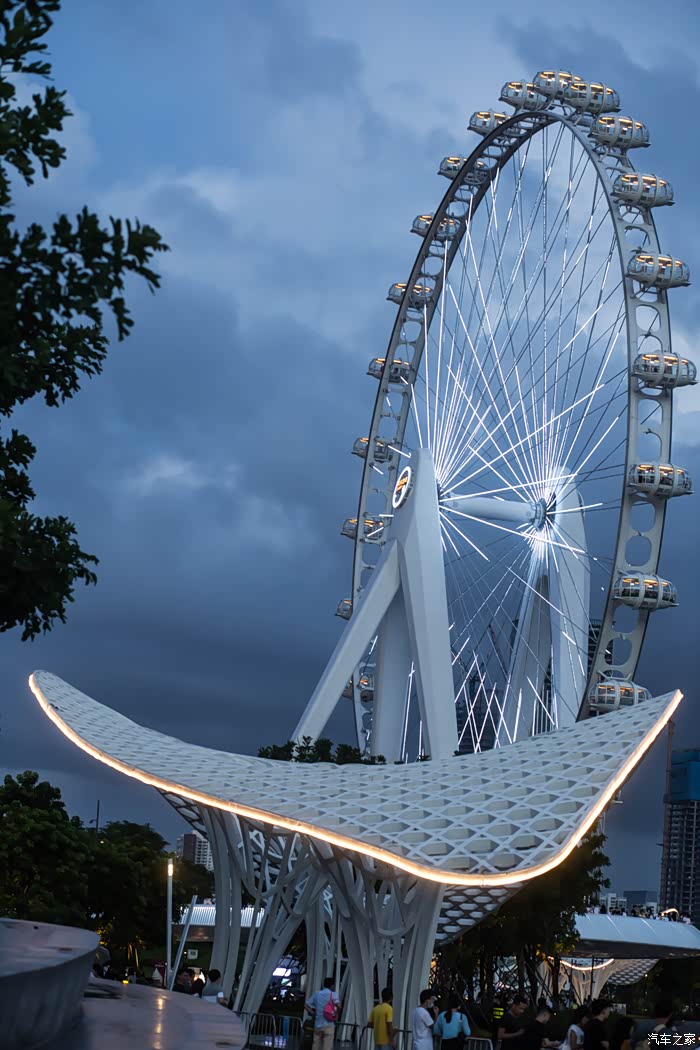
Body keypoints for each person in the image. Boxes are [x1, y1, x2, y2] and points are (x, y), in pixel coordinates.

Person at [305, 977, 340, 1050]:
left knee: (316, 1046)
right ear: (332, 985)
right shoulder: (333, 994)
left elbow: (306, 1004)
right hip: (329, 1025)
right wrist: (336, 1014)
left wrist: (312, 1012)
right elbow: (339, 1005)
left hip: (318, 1024)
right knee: (327, 1047)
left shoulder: (317, 994)